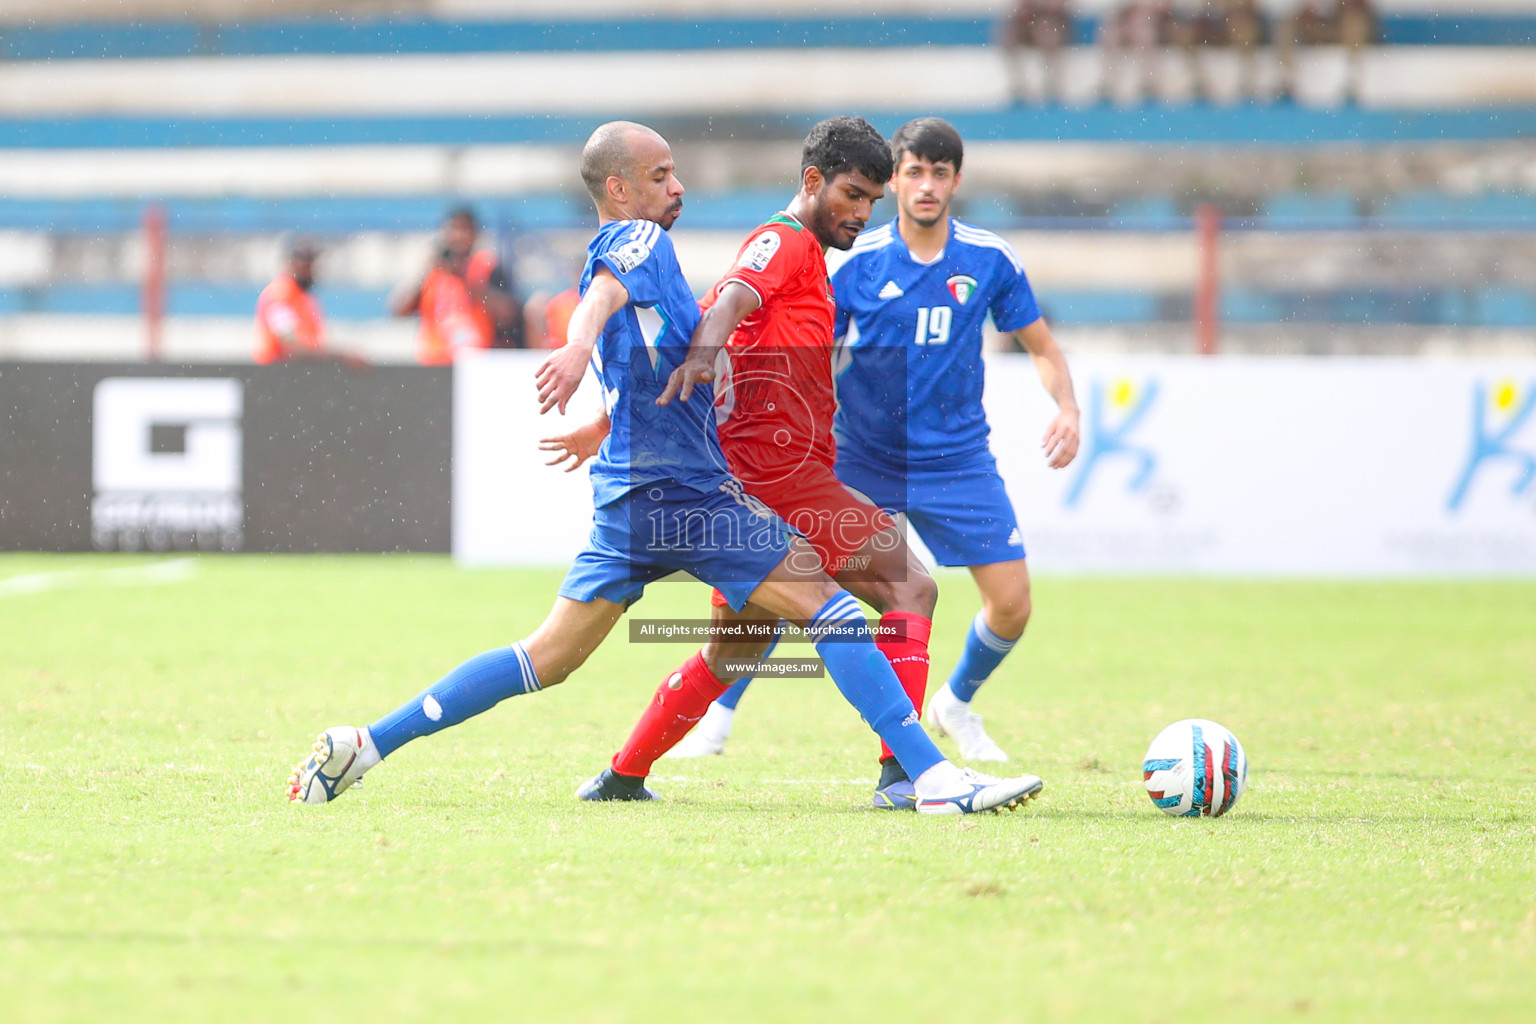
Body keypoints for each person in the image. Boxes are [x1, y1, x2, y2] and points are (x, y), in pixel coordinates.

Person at [287, 120, 1044, 818]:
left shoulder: (649, 268)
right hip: (691, 496)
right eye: (661, 174)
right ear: (619, 189)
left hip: (628, 502)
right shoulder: (642, 243)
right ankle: (930, 780)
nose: (677, 187)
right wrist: (580, 345)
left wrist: (604, 413)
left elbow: (655, 345)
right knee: (841, 609)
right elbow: (617, 295)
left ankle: (370, 742)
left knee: (544, 658)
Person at [560, 116, 963, 812]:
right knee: (911, 588)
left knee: (734, 653)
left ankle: (623, 775)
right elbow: (729, 308)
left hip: (745, 486)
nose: (863, 214)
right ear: (814, 182)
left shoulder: (795, 253)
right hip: (783, 479)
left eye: (873, 200)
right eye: (854, 195)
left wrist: (612, 418)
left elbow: (705, 318)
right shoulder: (784, 241)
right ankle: (906, 775)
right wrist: (707, 354)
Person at [667, 118, 1080, 770]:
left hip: (957, 458)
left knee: (1012, 604)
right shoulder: (853, 261)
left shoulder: (990, 259)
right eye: (914, 171)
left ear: (955, 181)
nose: (925, 185)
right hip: (863, 453)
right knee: (798, 581)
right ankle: (722, 718)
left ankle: (954, 705)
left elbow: (1041, 345)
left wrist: (1068, 407)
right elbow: (805, 344)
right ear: (898, 177)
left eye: (938, 173)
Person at [389, 206, 521, 364]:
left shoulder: (487, 268)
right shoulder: (434, 272)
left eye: (465, 230)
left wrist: (466, 281)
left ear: (475, 234)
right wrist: (425, 270)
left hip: (476, 363)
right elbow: (398, 310)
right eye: (454, 229)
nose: (459, 236)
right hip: (435, 362)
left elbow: (509, 314)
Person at [253, 236, 366, 367]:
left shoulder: (303, 297)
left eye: (313, 261)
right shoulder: (280, 296)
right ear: (290, 263)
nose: (311, 267)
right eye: (306, 262)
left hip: (295, 376)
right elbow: (290, 343)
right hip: (276, 376)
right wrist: (341, 355)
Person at [997, 0, 1074, 106]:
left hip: (1054, 21)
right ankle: (1019, 86)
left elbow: (1059, 6)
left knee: (1048, 32)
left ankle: (1051, 86)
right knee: (1008, 36)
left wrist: (1044, 9)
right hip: (1028, 20)